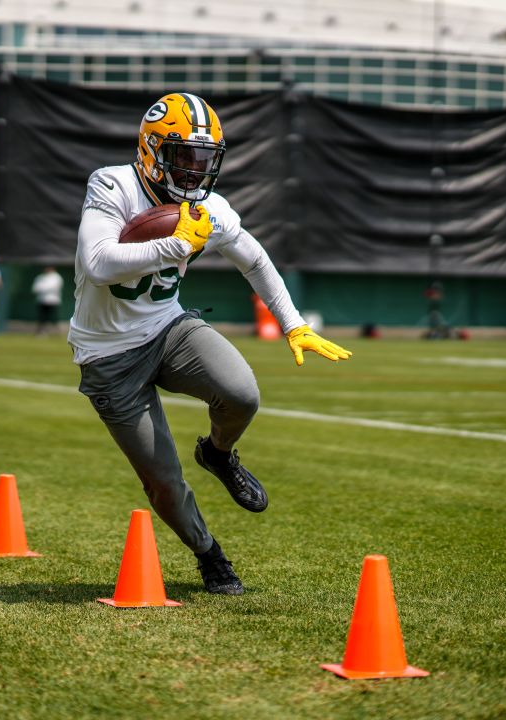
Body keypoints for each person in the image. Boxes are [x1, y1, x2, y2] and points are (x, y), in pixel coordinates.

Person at [70, 92, 351, 595]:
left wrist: (293, 324)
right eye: (184, 157)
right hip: (107, 353)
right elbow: (98, 262)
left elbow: (255, 259)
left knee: (242, 393)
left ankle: (219, 454)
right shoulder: (112, 183)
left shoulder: (210, 206)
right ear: (152, 150)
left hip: (168, 328)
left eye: (205, 159)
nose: (195, 171)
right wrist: (178, 244)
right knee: (163, 481)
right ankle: (209, 554)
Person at [32, 266, 64, 336]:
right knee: (42, 318)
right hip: (42, 301)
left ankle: (58, 332)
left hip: (53, 301)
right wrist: (43, 289)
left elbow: (54, 287)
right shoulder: (40, 277)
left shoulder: (57, 277)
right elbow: (35, 289)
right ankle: (41, 332)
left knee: (54, 318)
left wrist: (43, 288)